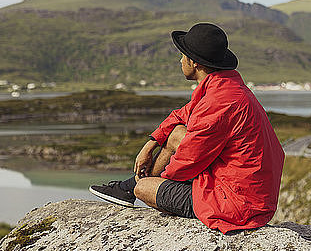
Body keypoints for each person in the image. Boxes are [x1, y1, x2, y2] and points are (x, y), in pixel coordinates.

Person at [89, 23, 285, 234]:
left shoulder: (219, 101)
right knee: (176, 134)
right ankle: (130, 186)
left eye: (183, 55)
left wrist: (156, 182)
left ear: (194, 62)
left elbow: (189, 161)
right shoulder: (223, 85)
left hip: (237, 204)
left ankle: (132, 186)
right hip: (245, 188)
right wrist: (150, 143)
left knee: (143, 189)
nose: (180, 60)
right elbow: (180, 115)